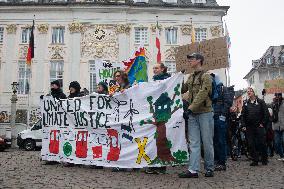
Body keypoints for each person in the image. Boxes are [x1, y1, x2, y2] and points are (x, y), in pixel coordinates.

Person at [179, 53, 214, 178]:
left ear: (199, 61)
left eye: (192, 59)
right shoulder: (191, 77)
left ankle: (209, 168)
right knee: (193, 142)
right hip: (193, 114)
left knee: (207, 142)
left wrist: (189, 108)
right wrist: (179, 76)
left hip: (205, 112)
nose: (189, 62)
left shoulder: (206, 77)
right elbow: (182, 90)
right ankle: (193, 170)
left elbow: (202, 94)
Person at [145, 63, 171, 175]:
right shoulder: (153, 81)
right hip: (155, 112)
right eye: (153, 68)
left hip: (164, 113)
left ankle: (162, 165)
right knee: (154, 139)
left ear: (162, 69)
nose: (154, 70)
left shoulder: (168, 80)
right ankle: (155, 164)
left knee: (162, 139)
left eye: (156, 68)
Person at [211, 73, 234, 171]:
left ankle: (222, 162)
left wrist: (223, 116)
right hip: (212, 118)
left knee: (221, 141)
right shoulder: (211, 90)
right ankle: (216, 161)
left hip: (220, 118)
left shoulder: (223, 89)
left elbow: (228, 102)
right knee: (214, 141)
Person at [241, 87, 269, 166]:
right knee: (251, 144)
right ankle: (255, 160)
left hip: (259, 126)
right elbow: (243, 115)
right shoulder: (246, 103)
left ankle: (264, 159)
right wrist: (243, 125)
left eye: (251, 90)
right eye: (248, 91)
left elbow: (266, 114)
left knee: (261, 143)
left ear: (254, 92)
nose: (249, 92)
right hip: (249, 127)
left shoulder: (261, 102)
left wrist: (262, 123)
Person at [272, 93, 284, 161]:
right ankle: (282, 156)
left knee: (283, 141)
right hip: (276, 126)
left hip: (283, 126)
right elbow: (265, 105)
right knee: (277, 143)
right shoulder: (273, 104)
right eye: (276, 95)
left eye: (278, 95)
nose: (277, 97)